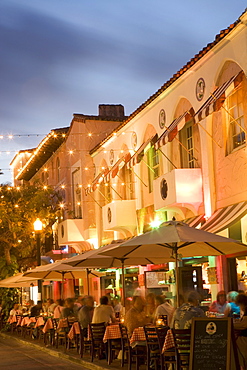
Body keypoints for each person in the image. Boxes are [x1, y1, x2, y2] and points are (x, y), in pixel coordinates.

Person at [233, 294, 247, 369]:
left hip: (244, 338)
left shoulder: (246, 310)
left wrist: (231, 324)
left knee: (244, 357)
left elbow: (243, 325)